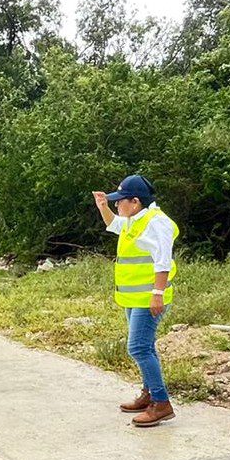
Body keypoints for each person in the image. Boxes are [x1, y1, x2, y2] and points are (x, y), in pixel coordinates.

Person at [91, 175, 179, 428]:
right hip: (134, 296)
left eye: (120, 202)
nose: (118, 206)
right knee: (146, 346)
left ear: (136, 202)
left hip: (148, 297)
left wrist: (158, 294)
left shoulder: (157, 223)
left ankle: (161, 404)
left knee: (138, 348)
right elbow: (115, 225)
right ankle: (149, 393)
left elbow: (163, 260)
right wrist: (103, 207)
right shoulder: (135, 220)